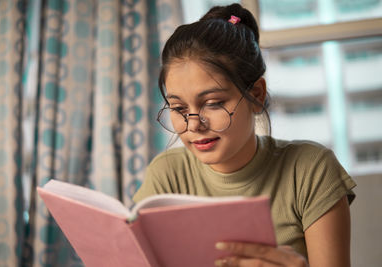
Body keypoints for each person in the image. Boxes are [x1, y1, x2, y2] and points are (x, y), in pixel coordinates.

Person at [133, 3, 356, 267]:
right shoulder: (166, 176)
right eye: (179, 108)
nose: (193, 125)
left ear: (256, 95)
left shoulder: (310, 170)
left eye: (213, 103)